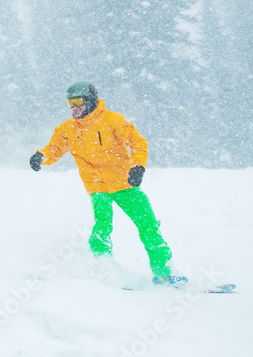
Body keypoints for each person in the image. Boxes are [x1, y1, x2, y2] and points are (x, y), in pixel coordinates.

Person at [29, 82, 185, 286]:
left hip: (124, 183)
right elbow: (54, 148)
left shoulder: (113, 120)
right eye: (70, 103)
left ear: (90, 100)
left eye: (78, 101)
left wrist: (138, 166)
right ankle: (103, 268)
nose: (74, 107)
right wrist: (40, 156)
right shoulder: (67, 129)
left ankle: (164, 272)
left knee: (148, 226)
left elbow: (138, 143)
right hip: (96, 186)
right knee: (102, 226)